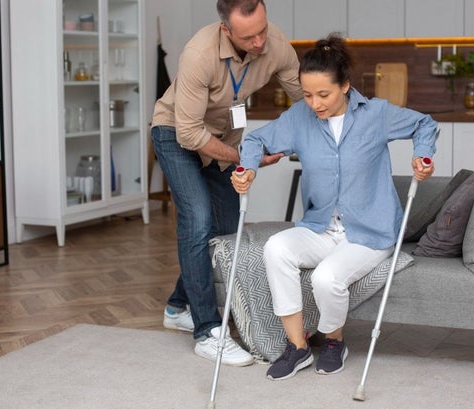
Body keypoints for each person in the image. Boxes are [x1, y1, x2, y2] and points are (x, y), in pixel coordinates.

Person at [231, 33, 437, 380]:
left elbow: (424, 124)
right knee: (276, 248)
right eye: (308, 94)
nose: (315, 103)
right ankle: (297, 346)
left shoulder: (376, 114)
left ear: (345, 85)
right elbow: (256, 139)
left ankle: (333, 342)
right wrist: (248, 168)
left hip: (369, 231)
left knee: (326, 278)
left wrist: (423, 156)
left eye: (323, 94)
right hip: (321, 227)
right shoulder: (300, 117)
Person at [151, 0, 302, 366]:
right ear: (226, 30)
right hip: (176, 134)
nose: (260, 42)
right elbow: (189, 133)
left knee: (225, 232)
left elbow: (307, 96)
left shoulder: (275, 43)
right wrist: (245, 158)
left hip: (223, 137)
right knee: (198, 219)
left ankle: (177, 307)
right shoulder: (199, 54)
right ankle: (207, 331)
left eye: (262, 30)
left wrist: (349, 112)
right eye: (249, 37)